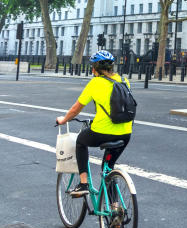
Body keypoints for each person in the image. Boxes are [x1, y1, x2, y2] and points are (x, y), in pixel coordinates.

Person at [55, 50, 133, 197]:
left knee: (81, 141)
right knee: (108, 168)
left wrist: (63, 120)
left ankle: (83, 184)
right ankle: (115, 208)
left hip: (103, 132)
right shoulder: (124, 81)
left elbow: (76, 109)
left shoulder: (95, 83)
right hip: (125, 133)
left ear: (95, 69)